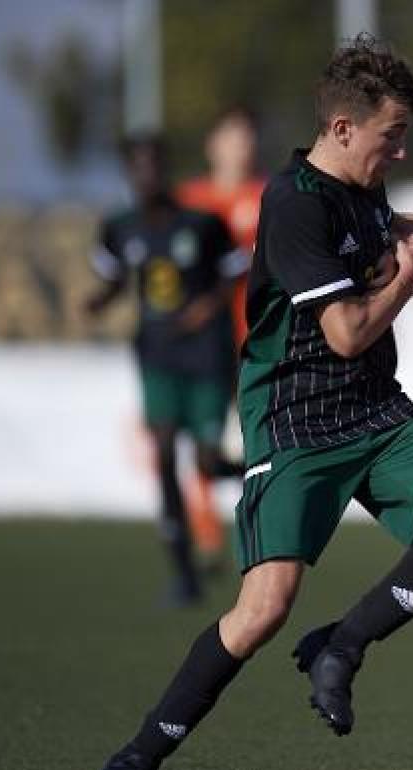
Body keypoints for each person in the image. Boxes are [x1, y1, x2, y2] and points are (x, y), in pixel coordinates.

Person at [99, 34, 413, 770]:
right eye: (392, 137)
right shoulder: (293, 204)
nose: (400, 155)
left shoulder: (363, 188)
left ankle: (343, 643)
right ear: (344, 129)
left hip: (374, 410)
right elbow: (350, 330)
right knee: (262, 610)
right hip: (296, 420)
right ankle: (139, 754)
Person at [86, 134, 247, 607]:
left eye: (153, 165)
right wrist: (98, 300)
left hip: (206, 357)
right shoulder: (119, 227)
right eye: (137, 168)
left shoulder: (201, 224)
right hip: (156, 355)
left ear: (165, 168)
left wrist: (205, 307)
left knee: (204, 461)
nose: (146, 176)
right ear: (128, 174)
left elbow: (233, 272)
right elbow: (116, 277)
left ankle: (248, 473)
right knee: (161, 454)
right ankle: (182, 571)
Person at [175, 105, 266, 570]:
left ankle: (253, 531)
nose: (241, 145)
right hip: (204, 344)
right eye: (231, 136)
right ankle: (204, 532)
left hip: (259, 339)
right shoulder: (189, 201)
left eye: (247, 136)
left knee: (259, 441)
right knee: (203, 442)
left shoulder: (270, 195)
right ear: (213, 144)